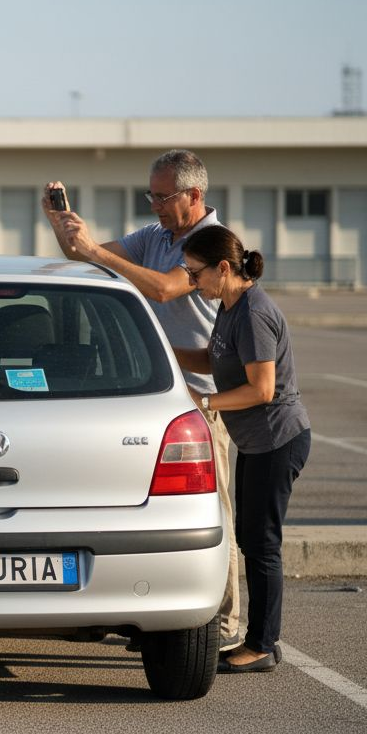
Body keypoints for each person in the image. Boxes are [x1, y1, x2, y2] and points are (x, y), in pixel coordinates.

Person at [43, 150, 240, 654]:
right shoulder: (154, 236)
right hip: (154, 392)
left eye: (163, 196)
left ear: (195, 195)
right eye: (150, 195)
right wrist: (66, 230)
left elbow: (164, 288)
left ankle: (225, 620)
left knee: (213, 510)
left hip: (201, 396)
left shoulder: (212, 244)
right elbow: (84, 257)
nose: (154, 204)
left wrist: (98, 252)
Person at [172, 225, 310, 673]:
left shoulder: (252, 311)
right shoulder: (228, 308)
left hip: (277, 438)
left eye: (196, 274)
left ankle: (264, 645)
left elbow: (263, 388)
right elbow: (213, 359)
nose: (192, 282)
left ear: (224, 269)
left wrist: (205, 401)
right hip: (257, 441)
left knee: (261, 542)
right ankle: (261, 639)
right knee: (251, 538)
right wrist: (162, 353)